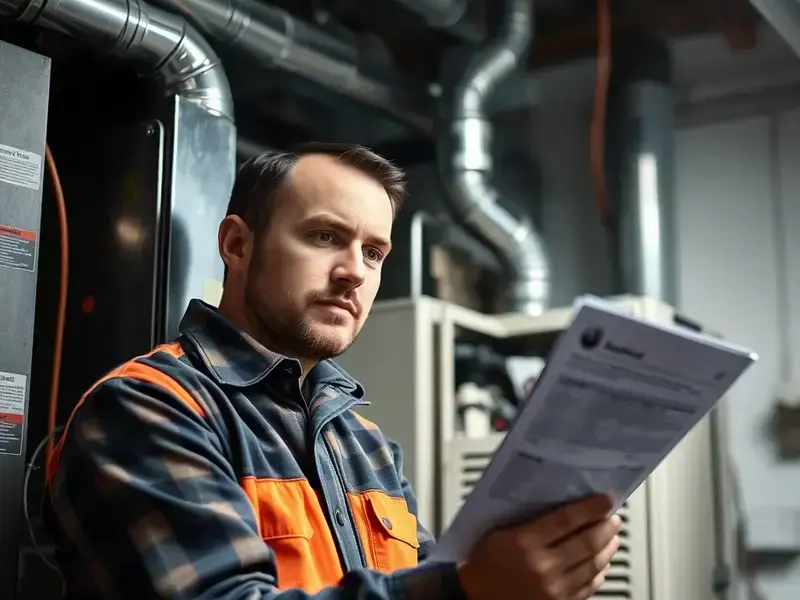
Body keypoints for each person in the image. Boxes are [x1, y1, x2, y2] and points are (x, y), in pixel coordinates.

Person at [44, 142, 621, 600]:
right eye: (325, 237)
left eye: (374, 253)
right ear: (238, 245)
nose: (354, 273)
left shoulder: (364, 445)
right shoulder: (147, 409)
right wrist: (469, 586)